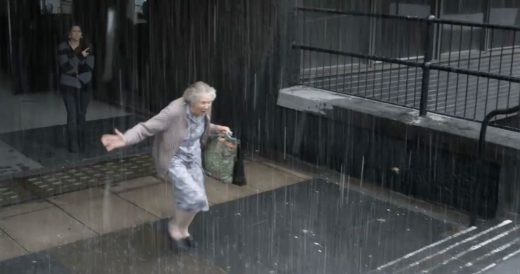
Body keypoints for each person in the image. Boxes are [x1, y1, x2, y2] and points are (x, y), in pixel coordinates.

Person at [101, 81, 230, 250]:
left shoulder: (205, 108)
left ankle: (181, 230)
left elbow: (200, 126)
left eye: (209, 102)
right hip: (174, 157)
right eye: (203, 103)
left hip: (194, 155)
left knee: (195, 199)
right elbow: (145, 128)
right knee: (195, 197)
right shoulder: (173, 112)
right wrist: (125, 138)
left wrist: (216, 128)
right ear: (191, 101)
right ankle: (175, 228)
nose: (207, 106)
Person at [58, 24, 94, 152]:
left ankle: (81, 140)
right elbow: (65, 67)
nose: (77, 33)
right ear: (69, 34)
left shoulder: (88, 47)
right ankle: (73, 144)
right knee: (72, 115)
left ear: (82, 34)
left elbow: (89, 67)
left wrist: (75, 68)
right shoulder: (63, 47)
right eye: (74, 31)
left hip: (84, 85)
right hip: (68, 86)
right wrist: (80, 57)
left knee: (81, 114)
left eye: (79, 31)